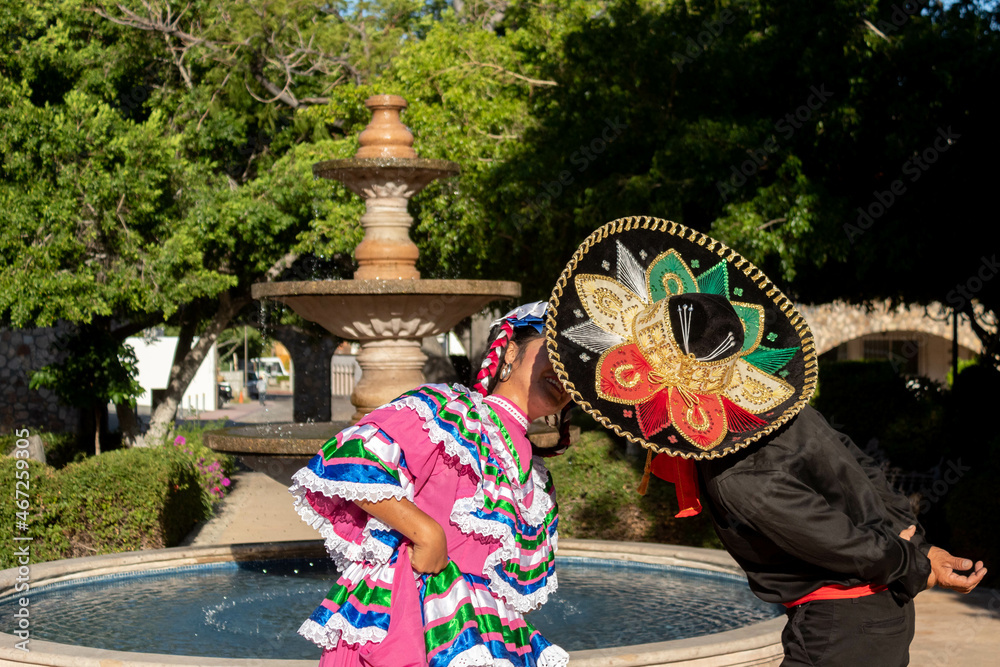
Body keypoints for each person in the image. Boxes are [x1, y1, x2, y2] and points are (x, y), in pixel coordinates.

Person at [544, 216, 986, 666]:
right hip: (869, 618)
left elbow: (834, 539)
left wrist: (915, 562)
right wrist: (917, 547)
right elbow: (863, 471)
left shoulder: (736, 475)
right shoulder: (788, 414)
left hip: (844, 629)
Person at [289, 302, 572, 667]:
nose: (564, 373)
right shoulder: (451, 412)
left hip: (479, 636)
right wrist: (425, 532)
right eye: (555, 352)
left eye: (575, 372)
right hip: (405, 621)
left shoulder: (536, 479)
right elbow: (351, 456)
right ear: (512, 351)